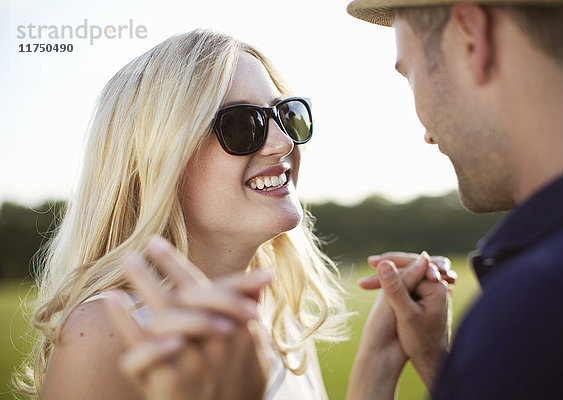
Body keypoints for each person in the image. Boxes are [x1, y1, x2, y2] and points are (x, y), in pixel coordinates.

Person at [13, 28, 355, 400]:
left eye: (286, 115)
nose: (284, 142)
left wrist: (378, 371)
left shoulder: (272, 309)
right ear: (159, 161)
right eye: (241, 124)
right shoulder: (108, 331)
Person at [346, 0, 563, 398]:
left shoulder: (545, 311)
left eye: (409, 74)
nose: (427, 135)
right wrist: (444, 365)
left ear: (472, 39)